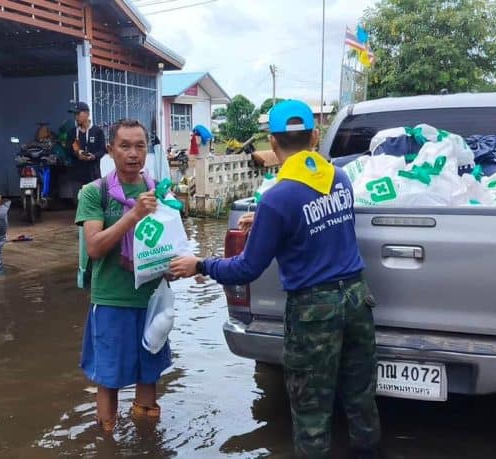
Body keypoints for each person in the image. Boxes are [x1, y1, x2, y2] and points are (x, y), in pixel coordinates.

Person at [170, 100, 380, 458]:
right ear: (315, 136)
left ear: (272, 139)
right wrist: (268, 225)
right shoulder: (340, 179)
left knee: (312, 412)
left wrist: (200, 265)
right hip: (358, 301)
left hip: (315, 313)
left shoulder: (277, 198)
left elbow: (246, 269)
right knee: (361, 399)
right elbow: (318, 228)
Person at [75, 119, 170, 434]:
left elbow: (168, 244)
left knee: (149, 375)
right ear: (110, 150)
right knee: (108, 378)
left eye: (140, 146)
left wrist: (180, 266)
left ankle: (146, 441)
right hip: (112, 301)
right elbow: (94, 248)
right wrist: (133, 215)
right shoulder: (94, 192)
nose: (133, 153)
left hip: (151, 300)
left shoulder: (157, 190)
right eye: (125, 146)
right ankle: (107, 441)